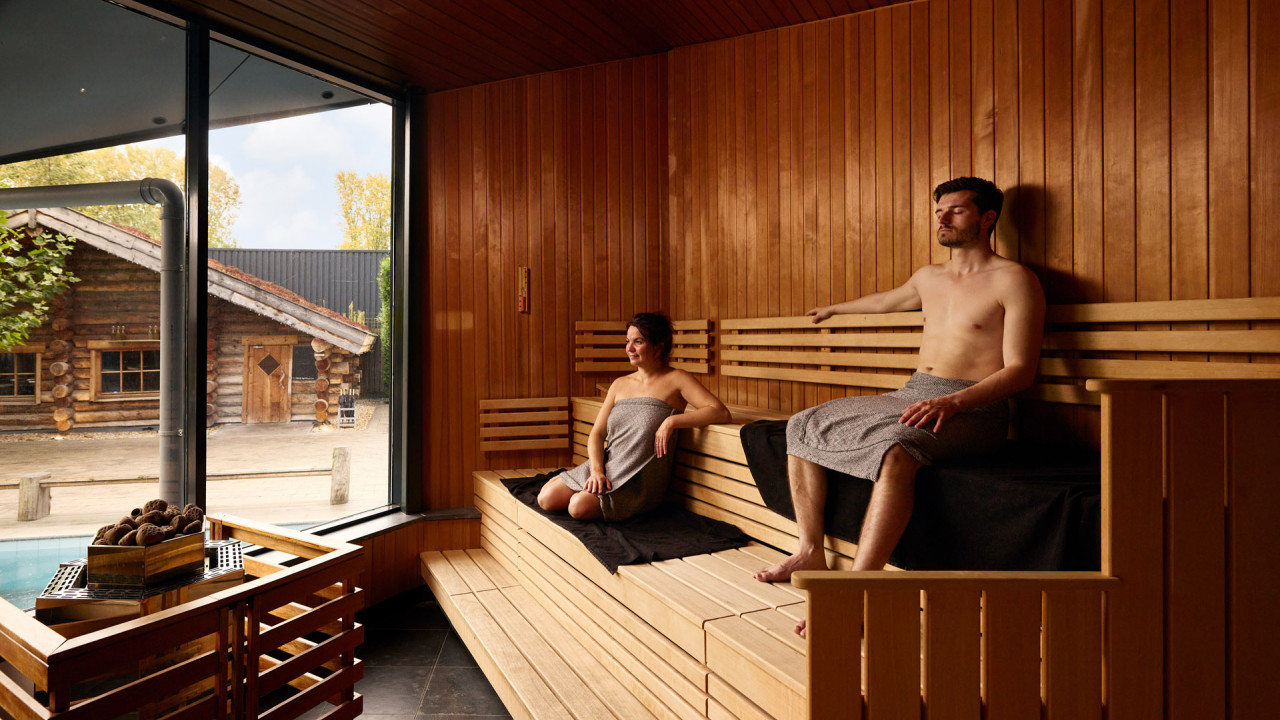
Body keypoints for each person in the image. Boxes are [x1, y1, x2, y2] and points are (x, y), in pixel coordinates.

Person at [752, 177, 1045, 636]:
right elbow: (890, 300)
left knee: (896, 448)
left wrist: (955, 400)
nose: (943, 219)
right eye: (939, 211)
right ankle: (811, 550)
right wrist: (835, 309)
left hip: (976, 408)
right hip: (916, 392)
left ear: (987, 219)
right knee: (804, 423)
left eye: (957, 211)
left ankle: (860, 590)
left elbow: (1021, 371)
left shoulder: (1015, 280)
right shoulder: (929, 277)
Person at [537, 312, 732, 522]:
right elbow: (597, 434)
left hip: (637, 479)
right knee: (546, 499)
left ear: (659, 346)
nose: (629, 349)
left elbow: (720, 411)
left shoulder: (677, 379)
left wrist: (671, 421)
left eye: (638, 342)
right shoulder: (619, 384)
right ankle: (588, 482)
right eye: (628, 341)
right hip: (607, 465)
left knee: (577, 507)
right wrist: (596, 471)